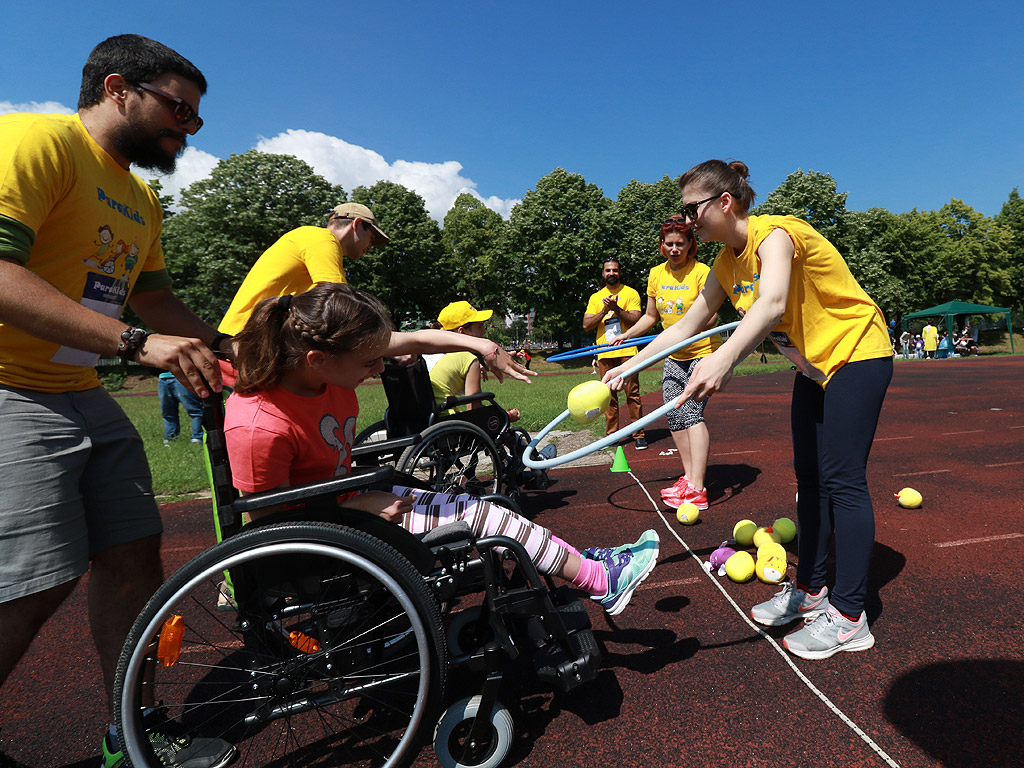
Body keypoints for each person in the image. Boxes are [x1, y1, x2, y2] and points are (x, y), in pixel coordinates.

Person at [0, 35, 235, 766]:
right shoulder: (36, 140)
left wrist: (233, 349)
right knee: (35, 580)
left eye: (196, 118)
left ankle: (129, 733)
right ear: (116, 88)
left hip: (78, 390)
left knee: (135, 555)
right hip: (10, 388)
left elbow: (155, 299)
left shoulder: (140, 198)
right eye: (178, 109)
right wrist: (134, 344)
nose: (188, 129)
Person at [223, 283, 659, 619]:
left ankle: (582, 563)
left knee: (490, 509)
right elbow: (268, 526)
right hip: (332, 536)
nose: (381, 368)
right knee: (491, 521)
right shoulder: (260, 423)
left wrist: (481, 345)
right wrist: (356, 505)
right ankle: (601, 581)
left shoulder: (325, 361)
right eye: (370, 363)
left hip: (353, 505)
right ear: (317, 359)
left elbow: (415, 341)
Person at [605, 160, 893, 660]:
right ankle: (814, 588)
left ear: (724, 202)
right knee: (810, 477)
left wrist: (722, 358)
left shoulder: (775, 235)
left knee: (842, 478)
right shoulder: (724, 263)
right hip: (814, 368)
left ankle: (850, 617)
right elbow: (686, 326)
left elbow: (772, 303)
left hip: (857, 353)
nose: (686, 219)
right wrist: (632, 364)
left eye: (691, 208)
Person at [612, 216, 721, 510]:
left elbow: (710, 317)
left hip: (702, 353)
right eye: (669, 244)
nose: (674, 249)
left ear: (690, 245)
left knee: (692, 414)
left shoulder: (702, 272)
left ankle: (698, 488)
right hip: (674, 356)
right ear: (662, 246)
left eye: (680, 244)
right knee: (674, 414)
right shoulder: (656, 275)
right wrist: (626, 336)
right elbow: (650, 317)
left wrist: (685, 330)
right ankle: (689, 477)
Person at [583, 258, 647, 450]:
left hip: (627, 350)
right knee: (608, 395)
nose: (612, 273)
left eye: (615, 270)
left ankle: (639, 434)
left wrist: (617, 309)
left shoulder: (630, 293)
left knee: (632, 393)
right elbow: (587, 325)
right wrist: (604, 310)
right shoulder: (596, 297)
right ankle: (612, 435)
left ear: (620, 272)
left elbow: (636, 320)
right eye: (608, 271)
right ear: (603, 274)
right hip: (605, 352)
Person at [429, 301, 520, 421]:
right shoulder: (467, 359)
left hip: (428, 422)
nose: (484, 331)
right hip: (448, 424)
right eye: (479, 326)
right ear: (461, 332)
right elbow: (475, 411)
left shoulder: (429, 353)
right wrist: (506, 416)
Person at [158, 370, 204, 443]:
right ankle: (170, 438)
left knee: (194, 410)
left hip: (182, 377)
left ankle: (198, 437)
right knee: (167, 412)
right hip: (163, 378)